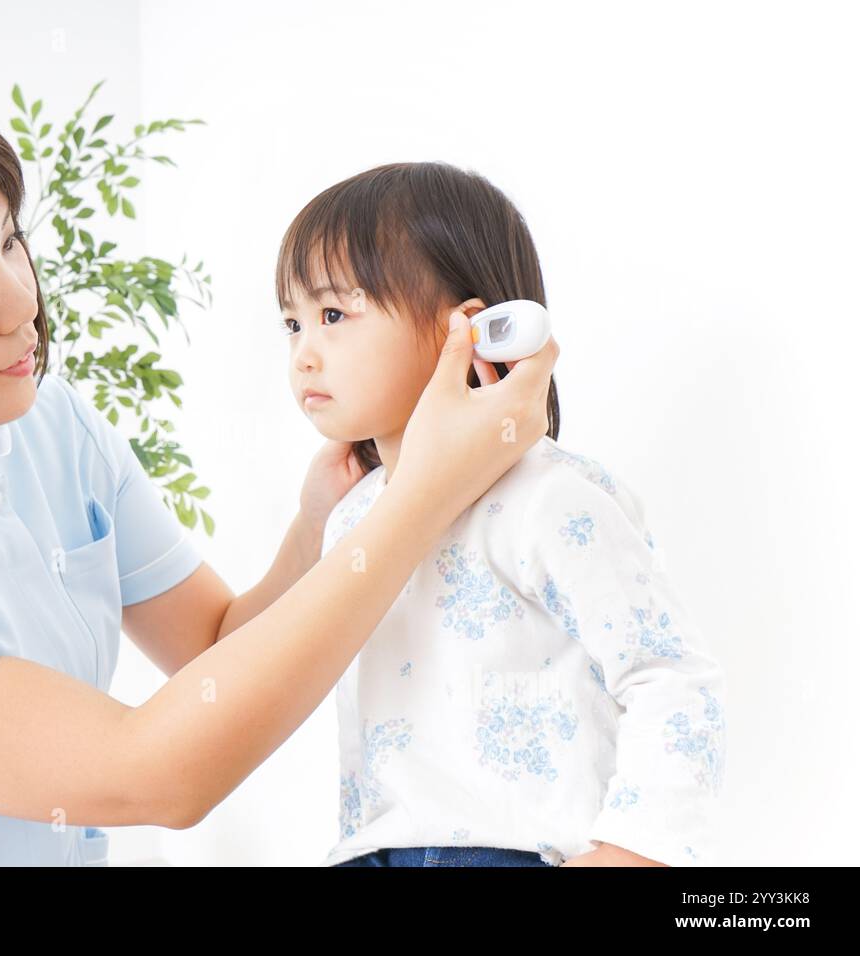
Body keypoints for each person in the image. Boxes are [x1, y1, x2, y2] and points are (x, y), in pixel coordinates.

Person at [0, 63, 558, 865]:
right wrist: (427, 494)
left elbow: (212, 648)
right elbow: (152, 777)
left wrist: (317, 527)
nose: (23, 306)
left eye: (9, 243)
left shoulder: (48, 423)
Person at [271, 161, 727, 868]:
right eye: (292, 323)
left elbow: (668, 674)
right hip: (370, 850)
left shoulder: (550, 499)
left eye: (333, 315)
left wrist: (636, 850)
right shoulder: (351, 517)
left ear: (473, 328)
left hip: (523, 852)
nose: (304, 353)